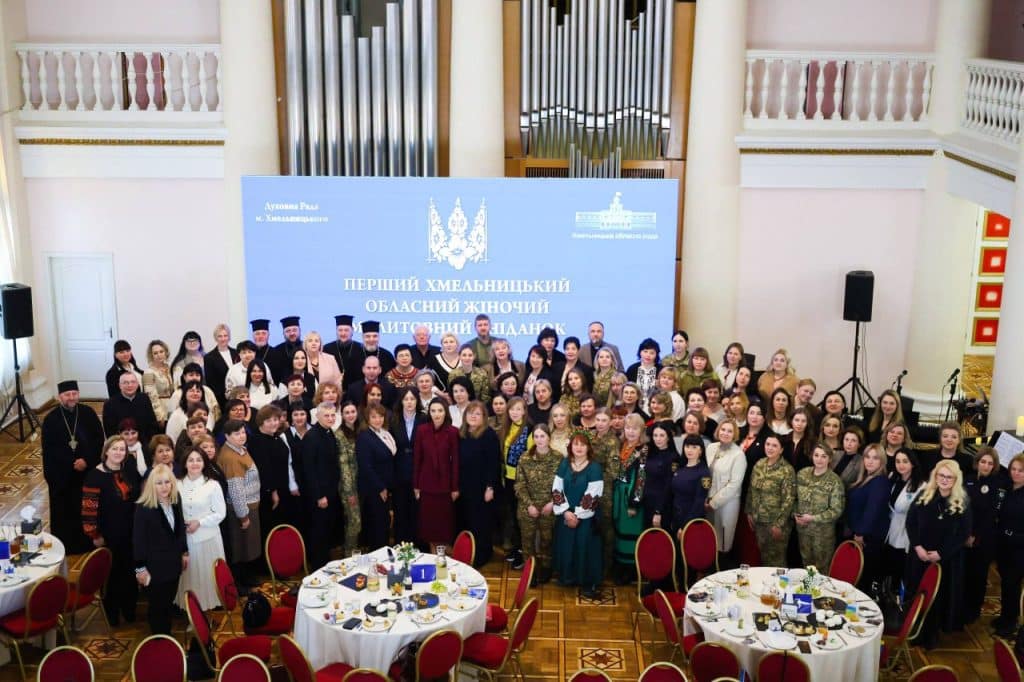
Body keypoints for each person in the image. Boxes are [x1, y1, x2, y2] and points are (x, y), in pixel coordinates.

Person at [905, 459, 972, 648]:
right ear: (935, 476)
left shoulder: (962, 502)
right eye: (941, 475)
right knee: (917, 593)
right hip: (920, 555)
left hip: (945, 560)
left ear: (956, 479)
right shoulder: (924, 495)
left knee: (937, 598)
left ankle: (931, 636)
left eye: (949, 477)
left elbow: (963, 534)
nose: (944, 479)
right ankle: (914, 631)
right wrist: (917, 546)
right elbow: (911, 523)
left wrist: (941, 553)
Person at [82, 435, 141, 625]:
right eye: (114, 449)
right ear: (106, 451)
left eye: (122, 449)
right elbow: (89, 509)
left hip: (130, 531)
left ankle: (129, 609)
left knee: (129, 572)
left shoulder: (128, 469)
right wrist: (94, 534)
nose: (118, 452)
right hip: (108, 535)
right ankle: (112, 612)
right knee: (112, 574)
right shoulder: (95, 476)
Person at [42, 379, 104, 554]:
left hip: (87, 472)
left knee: (88, 509)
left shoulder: (88, 413)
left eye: (74, 394)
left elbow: (99, 440)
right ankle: (66, 546)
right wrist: (71, 464)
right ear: (59, 397)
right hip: (63, 476)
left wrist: (87, 460)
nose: (71, 397)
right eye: (67, 394)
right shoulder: (51, 419)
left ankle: (90, 542)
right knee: (65, 512)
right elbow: (50, 450)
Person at [133, 464, 188, 635]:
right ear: (152, 485)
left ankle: (166, 636)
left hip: (173, 564)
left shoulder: (176, 499)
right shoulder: (144, 507)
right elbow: (139, 540)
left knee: (167, 603)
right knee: (157, 607)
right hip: (154, 568)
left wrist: (184, 552)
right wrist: (140, 568)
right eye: (159, 483)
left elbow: (180, 528)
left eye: (167, 482)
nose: (164, 487)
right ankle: (160, 639)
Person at [552, 432, 604, 598]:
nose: (579, 448)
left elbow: (593, 494)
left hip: (586, 518)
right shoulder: (565, 463)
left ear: (588, 447)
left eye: (582, 444)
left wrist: (578, 515)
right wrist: (566, 512)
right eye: (576, 444)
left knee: (584, 547)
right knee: (566, 546)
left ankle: (587, 582)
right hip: (566, 514)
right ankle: (567, 578)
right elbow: (557, 488)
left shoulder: (594, 467)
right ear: (570, 446)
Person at [175, 447, 227, 611]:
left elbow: (220, 513)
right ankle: (193, 612)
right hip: (186, 540)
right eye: (191, 460)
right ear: (185, 463)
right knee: (191, 576)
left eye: (199, 460)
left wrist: (200, 522)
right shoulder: (177, 484)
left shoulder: (212, 485)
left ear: (204, 463)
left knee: (206, 576)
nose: (195, 463)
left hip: (208, 539)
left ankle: (206, 612)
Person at [963, 447, 1008, 624]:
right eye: (983, 462)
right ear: (977, 462)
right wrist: (965, 533)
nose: (986, 466)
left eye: (990, 463)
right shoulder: (968, 479)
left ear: (994, 466)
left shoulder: (998, 484)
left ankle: (973, 610)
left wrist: (974, 535)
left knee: (979, 575)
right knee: (964, 573)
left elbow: (991, 514)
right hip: (963, 534)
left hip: (983, 538)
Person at [216, 419, 261, 588]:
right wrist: (243, 516)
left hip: (250, 505)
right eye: (237, 433)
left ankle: (247, 578)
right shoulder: (230, 457)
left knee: (248, 547)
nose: (242, 436)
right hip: (241, 509)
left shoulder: (240, 449)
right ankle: (240, 584)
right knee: (240, 549)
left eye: (243, 432)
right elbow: (236, 490)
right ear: (227, 436)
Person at [457, 401, 501, 567]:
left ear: (484, 417)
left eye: (477, 414)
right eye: (470, 413)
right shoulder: (462, 433)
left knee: (480, 522)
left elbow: (494, 463)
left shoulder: (489, 435)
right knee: (466, 520)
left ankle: (482, 555)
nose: (473, 416)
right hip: (464, 485)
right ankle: (466, 553)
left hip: (482, 486)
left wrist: (490, 487)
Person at [515, 424, 560, 584]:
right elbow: (519, 485)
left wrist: (552, 503)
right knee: (527, 542)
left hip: (549, 508)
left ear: (549, 438)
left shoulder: (558, 458)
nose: (539, 440)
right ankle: (530, 572)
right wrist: (529, 505)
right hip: (528, 508)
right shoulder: (525, 458)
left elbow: (563, 484)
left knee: (547, 540)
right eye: (536, 436)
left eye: (543, 436)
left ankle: (546, 568)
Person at [413, 398, 460, 550]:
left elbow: (456, 461)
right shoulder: (422, 430)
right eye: (433, 411)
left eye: (440, 410)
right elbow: (417, 459)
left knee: (444, 524)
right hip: (426, 484)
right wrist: (416, 485)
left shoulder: (453, 432)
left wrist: (455, 487)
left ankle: (444, 556)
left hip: (445, 485)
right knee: (429, 524)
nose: (436, 414)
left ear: (445, 412)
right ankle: (432, 553)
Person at [844, 444, 891, 588]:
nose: (870, 461)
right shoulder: (865, 478)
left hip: (867, 538)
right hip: (858, 533)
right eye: (867, 457)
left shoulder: (880, 482)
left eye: (875, 458)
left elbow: (872, 510)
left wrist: (860, 533)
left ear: (882, 461)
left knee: (862, 579)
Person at [746, 433, 795, 567]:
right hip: (759, 521)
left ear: (781, 449)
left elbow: (789, 500)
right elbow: (751, 490)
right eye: (767, 444)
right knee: (764, 558)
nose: (770, 448)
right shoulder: (759, 464)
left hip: (775, 523)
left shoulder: (787, 470)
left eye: (774, 445)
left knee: (776, 561)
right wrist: (749, 511)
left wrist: (779, 524)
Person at [302, 401, 341, 568]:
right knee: (319, 533)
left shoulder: (329, 432)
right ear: (317, 416)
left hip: (331, 492)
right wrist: (319, 496)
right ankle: (318, 568)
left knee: (327, 532)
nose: (330, 418)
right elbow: (309, 470)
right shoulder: (311, 437)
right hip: (320, 495)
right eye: (326, 415)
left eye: (333, 415)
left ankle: (326, 565)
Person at [794, 442, 845, 570]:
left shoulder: (835, 481)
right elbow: (794, 499)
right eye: (816, 455)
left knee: (821, 570)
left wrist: (813, 518)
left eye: (823, 456)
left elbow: (836, 510)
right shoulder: (802, 474)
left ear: (830, 459)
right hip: (803, 532)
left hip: (822, 535)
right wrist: (795, 515)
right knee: (806, 568)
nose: (819, 459)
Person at [247, 405, 293, 543]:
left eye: (276, 419)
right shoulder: (257, 441)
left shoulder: (275, 437)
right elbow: (264, 470)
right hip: (269, 494)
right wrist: (273, 492)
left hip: (282, 488)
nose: (273, 423)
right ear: (261, 422)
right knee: (272, 528)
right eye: (269, 420)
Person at [613, 414, 648, 583]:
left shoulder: (643, 450)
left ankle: (631, 571)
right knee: (620, 532)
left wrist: (634, 502)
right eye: (628, 428)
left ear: (641, 430)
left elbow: (641, 477)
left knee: (631, 533)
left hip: (632, 497)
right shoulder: (623, 445)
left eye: (635, 428)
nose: (631, 431)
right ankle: (620, 568)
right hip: (619, 495)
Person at [882, 448, 924, 590]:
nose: (901, 465)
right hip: (891, 531)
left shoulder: (921, 486)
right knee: (888, 569)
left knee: (901, 572)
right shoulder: (893, 478)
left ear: (913, 463)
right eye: (898, 461)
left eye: (905, 461)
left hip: (906, 535)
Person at [356, 404, 397, 549]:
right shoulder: (364, 437)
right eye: (373, 417)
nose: (378, 420)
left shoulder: (384, 433)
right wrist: (380, 488)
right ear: (367, 418)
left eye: (380, 416)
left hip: (386, 486)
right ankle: (377, 555)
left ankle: (384, 553)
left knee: (384, 524)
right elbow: (366, 466)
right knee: (377, 526)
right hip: (374, 489)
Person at [705, 419, 746, 561]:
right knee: (708, 537)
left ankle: (722, 567)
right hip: (707, 500)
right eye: (723, 429)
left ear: (735, 434)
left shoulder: (738, 455)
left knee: (723, 540)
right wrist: (706, 499)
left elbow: (734, 485)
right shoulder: (711, 447)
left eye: (730, 431)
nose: (725, 433)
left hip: (727, 503)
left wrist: (714, 502)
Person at [993, 453, 1024, 638]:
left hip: (1019, 547)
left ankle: (1011, 622)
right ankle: (1004, 616)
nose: (1016, 473)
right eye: (1013, 469)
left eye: (1021, 470)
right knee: (1005, 582)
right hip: (1004, 544)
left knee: (1013, 584)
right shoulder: (1007, 487)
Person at [499, 397, 532, 569]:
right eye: (512, 409)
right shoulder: (507, 427)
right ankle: (516, 547)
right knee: (512, 515)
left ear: (524, 411)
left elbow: (531, 457)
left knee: (521, 517)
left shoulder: (529, 429)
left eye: (519, 409)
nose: (515, 412)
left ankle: (523, 552)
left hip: (522, 480)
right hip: (508, 478)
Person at [390, 389, 426, 543]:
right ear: (401, 401)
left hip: (420, 471)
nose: (409, 402)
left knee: (418, 511)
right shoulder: (393, 419)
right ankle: (401, 545)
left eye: (412, 399)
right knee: (400, 510)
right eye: (406, 399)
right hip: (399, 472)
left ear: (417, 401)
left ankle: (418, 545)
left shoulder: (424, 418)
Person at [664, 435, 711, 545]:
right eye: (687, 446)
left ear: (701, 451)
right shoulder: (680, 466)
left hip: (691, 519)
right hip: (675, 516)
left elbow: (699, 502)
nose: (689, 450)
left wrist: (685, 525)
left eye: (694, 447)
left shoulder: (704, 472)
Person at [104, 371, 159, 446]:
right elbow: (110, 432)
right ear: (120, 385)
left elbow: (152, 424)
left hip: (145, 444)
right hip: (121, 446)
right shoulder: (110, 404)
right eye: (126, 383)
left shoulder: (144, 399)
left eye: (133, 382)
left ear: (137, 384)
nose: (130, 385)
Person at [336, 401, 362, 556]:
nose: (351, 415)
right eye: (347, 412)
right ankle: (349, 554)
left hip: (362, 483)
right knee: (354, 522)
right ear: (342, 415)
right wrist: (350, 492)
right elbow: (344, 467)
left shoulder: (361, 430)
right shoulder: (339, 435)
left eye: (353, 411)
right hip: (349, 487)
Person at [643, 422, 678, 528]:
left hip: (662, 506)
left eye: (662, 435)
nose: (658, 439)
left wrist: (658, 511)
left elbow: (669, 486)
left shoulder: (673, 457)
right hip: (647, 502)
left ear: (668, 437)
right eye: (655, 435)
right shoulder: (650, 453)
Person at [322, 315, 362, 391]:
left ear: (352, 331)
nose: (343, 333)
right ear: (336, 331)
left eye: (346, 330)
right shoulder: (327, 349)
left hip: (356, 391)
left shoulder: (361, 348)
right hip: (333, 391)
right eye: (340, 330)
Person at [204, 324, 238, 411]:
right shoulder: (209, 357)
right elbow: (211, 382)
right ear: (216, 338)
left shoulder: (236, 353)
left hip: (239, 396)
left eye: (225, 335)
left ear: (229, 337)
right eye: (220, 336)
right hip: (222, 399)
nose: (223, 339)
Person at [142, 340, 175, 425]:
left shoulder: (171, 368)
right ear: (151, 356)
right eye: (155, 353)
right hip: (160, 409)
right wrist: (159, 416)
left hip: (173, 407)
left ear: (166, 352)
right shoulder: (148, 372)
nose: (159, 355)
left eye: (161, 351)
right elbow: (151, 396)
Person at [626, 338, 661, 414]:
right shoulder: (632, 369)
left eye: (652, 353)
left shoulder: (661, 370)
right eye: (645, 351)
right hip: (634, 408)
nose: (648, 355)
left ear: (656, 355)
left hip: (655, 408)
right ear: (640, 352)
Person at [267, 316, 303, 386]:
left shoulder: (306, 347)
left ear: (300, 331)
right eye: (288, 331)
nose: (292, 333)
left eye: (294, 330)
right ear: (283, 333)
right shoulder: (276, 351)